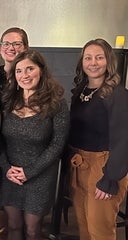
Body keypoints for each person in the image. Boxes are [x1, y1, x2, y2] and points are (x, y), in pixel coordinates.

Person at [0, 50, 69, 240]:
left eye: (30, 68)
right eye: (19, 71)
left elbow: (57, 144)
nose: (25, 75)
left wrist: (29, 171)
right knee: (13, 226)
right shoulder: (7, 101)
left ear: (41, 70)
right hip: (10, 175)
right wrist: (7, 168)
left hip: (40, 176)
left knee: (32, 229)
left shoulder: (57, 104)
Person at [68, 38, 128, 240]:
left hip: (104, 167)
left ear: (108, 61)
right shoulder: (80, 92)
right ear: (82, 62)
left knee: (99, 232)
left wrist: (110, 178)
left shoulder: (118, 95)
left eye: (99, 57)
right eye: (88, 58)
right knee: (84, 228)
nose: (93, 63)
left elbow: (123, 139)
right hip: (79, 164)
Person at [0, 27, 29, 240]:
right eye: (6, 43)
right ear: (0, 48)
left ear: (25, 48)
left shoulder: (33, 77)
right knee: (0, 208)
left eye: (16, 44)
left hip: (23, 152)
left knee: (23, 216)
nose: (11, 48)